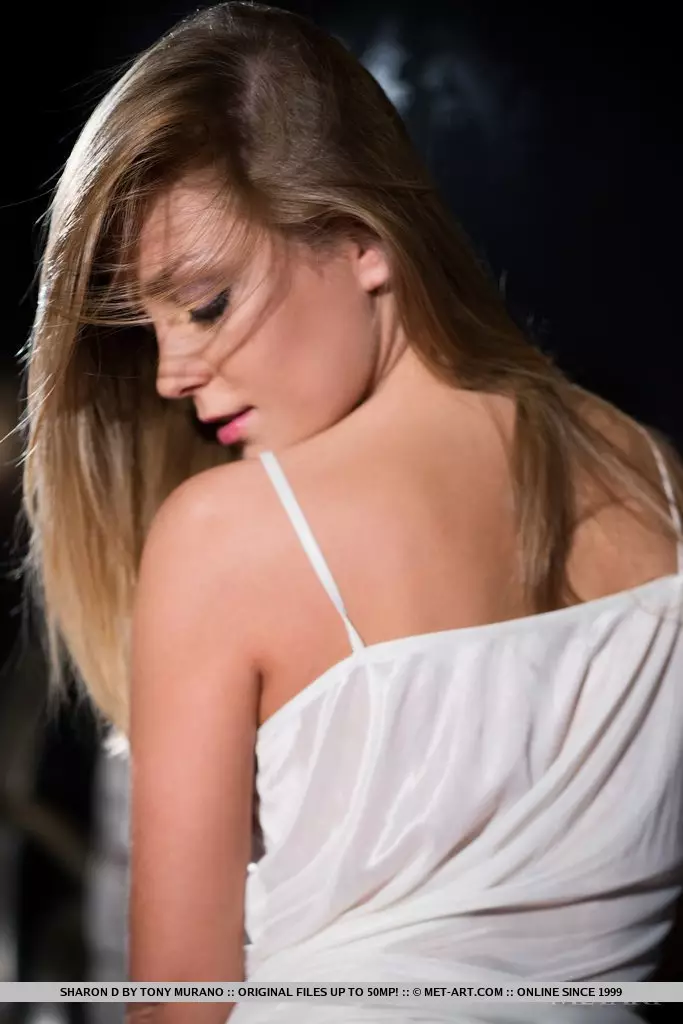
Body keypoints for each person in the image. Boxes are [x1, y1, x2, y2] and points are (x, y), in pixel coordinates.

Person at [14, 2, 683, 1021]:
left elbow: (177, 1006)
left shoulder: (226, 534)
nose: (169, 373)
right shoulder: (659, 484)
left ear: (363, 239)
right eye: (147, 328)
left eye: (204, 303)